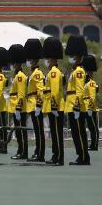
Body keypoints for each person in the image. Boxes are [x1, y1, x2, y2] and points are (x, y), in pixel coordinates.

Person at [64, 35, 90, 165]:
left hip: (76, 106)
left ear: (76, 56)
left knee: (79, 133)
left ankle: (84, 157)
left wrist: (77, 106)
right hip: (72, 105)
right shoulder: (76, 71)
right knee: (75, 133)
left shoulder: (79, 71)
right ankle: (81, 155)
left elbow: (79, 90)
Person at [41, 36, 65, 165]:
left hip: (55, 107)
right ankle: (56, 156)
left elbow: (54, 91)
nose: (46, 60)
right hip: (52, 107)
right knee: (54, 133)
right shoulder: (52, 72)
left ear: (51, 58)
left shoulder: (54, 73)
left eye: (47, 58)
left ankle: (59, 157)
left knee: (56, 134)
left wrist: (54, 107)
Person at [24, 38, 46, 162]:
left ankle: (40, 154)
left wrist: (38, 105)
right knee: (37, 131)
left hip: (35, 105)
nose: (27, 61)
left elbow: (40, 90)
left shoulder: (37, 73)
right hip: (31, 104)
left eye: (29, 59)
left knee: (39, 131)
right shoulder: (33, 73)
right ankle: (37, 152)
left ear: (33, 60)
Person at [8, 43, 28, 160]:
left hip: (18, 107)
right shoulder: (17, 75)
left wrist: (18, 108)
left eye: (14, 63)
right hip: (16, 107)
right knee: (18, 131)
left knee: (21, 131)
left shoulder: (20, 76)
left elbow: (20, 93)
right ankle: (21, 150)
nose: (12, 65)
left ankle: (23, 151)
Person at [81, 55, 98, 152]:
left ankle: (94, 145)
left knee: (93, 128)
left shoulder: (91, 83)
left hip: (90, 108)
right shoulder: (88, 82)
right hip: (87, 107)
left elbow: (92, 96)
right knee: (91, 127)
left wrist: (90, 108)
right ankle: (92, 144)